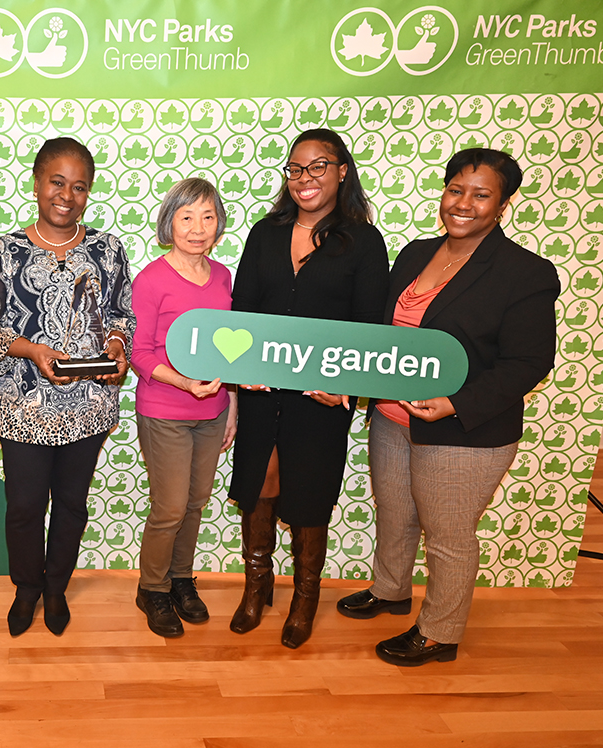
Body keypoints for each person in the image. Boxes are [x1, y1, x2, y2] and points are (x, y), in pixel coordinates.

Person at [337, 148, 559, 666]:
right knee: (396, 514)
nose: (464, 203)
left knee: (448, 535)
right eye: (456, 189)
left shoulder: (524, 272)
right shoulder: (416, 252)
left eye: (481, 194)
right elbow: (386, 337)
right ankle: (391, 590)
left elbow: (529, 361)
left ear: (502, 204)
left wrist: (455, 403)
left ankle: (440, 632)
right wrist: (349, 381)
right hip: (393, 417)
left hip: (465, 430)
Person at [227, 128, 389, 648]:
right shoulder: (265, 233)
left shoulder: (363, 241)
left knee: (310, 493)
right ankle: (256, 590)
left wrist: (347, 385)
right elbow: (242, 313)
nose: (305, 179)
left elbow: (369, 326)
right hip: (262, 393)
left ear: (342, 171)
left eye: (318, 166)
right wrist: (240, 366)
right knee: (261, 483)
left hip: (321, 399)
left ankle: (304, 598)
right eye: (295, 169)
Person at [0, 137, 135, 638]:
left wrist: (116, 347)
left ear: (89, 192)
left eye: (79, 187)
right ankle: (26, 588)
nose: (67, 195)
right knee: (23, 506)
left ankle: (57, 587)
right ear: (38, 183)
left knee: (71, 503)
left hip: (88, 404)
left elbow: (121, 316)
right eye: (57, 182)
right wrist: (31, 350)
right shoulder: (4, 252)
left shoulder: (107, 250)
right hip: (26, 404)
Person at [131, 178, 237, 637]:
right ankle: (151, 589)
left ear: (219, 225)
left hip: (212, 414)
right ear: (169, 222)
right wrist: (184, 383)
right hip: (164, 411)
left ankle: (180, 580)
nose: (198, 228)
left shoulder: (224, 277)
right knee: (170, 508)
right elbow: (140, 352)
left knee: (194, 504)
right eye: (187, 216)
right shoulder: (152, 279)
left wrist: (229, 405)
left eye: (208, 217)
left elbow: (232, 353)